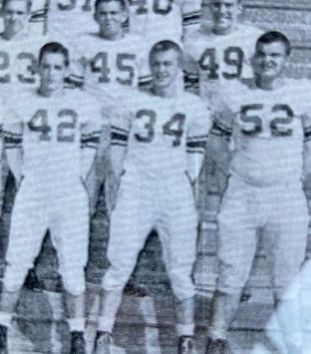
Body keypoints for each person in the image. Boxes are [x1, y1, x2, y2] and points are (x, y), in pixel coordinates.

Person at [92, 40, 211, 354]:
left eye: (168, 64)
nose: (161, 70)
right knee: (118, 265)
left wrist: (182, 183)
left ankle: (185, 339)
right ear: (150, 65)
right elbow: (115, 155)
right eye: (156, 64)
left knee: (180, 270)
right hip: (138, 189)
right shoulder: (130, 101)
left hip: (174, 190)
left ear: (178, 67)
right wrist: (124, 184)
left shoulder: (194, 106)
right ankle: (102, 334)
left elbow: (195, 158)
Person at [205, 31, 311, 354]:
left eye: (275, 55)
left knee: (287, 277)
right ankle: (216, 338)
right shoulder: (235, 94)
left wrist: (298, 176)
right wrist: (235, 171)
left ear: (285, 60)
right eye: (262, 54)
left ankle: (292, 344)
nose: (267, 61)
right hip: (243, 193)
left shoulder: (302, 92)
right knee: (230, 273)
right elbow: (217, 139)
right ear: (254, 57)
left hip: (285, 194)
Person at [0, 41, 102, 354]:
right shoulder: (21, 100)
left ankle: (76, 335)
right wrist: (24, 177)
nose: (52, 73)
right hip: (34, 190)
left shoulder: (83, 102)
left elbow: (91, 140)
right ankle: (2, 326)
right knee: (17, 262)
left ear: (66, 69)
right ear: (38, 68)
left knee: (73, 267)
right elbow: (13, 144)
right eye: (46, 66)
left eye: (58, 67)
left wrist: (77, 175)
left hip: (68, 191)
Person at [184, 0, 263, 198]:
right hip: (210, 120)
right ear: (209, 8)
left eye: (228, 5)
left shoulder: (254, 38)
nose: (222, 11)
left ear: (239, 8)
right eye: (216, 5)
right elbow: (191, 83)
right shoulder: (195, 38)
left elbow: (265, 84)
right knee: (199, 179)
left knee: (241, 180)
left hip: (242, 121)